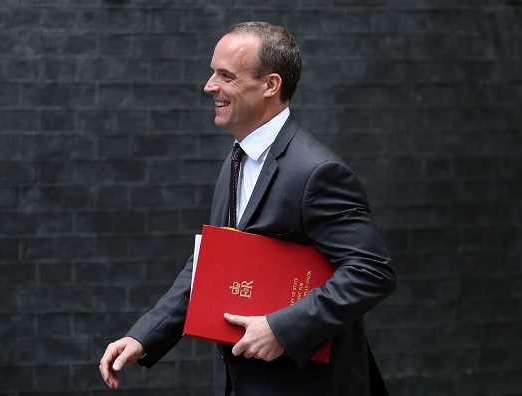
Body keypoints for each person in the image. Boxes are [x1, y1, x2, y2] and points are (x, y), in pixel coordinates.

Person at [99, 21, 397, 396]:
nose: (209, 86)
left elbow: (372, 271)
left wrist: (282, 329)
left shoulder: (318, 172)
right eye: (212, 72)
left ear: (270, 85)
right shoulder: (237, 157)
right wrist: (144, 336)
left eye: (226, 75)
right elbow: (213, 263)